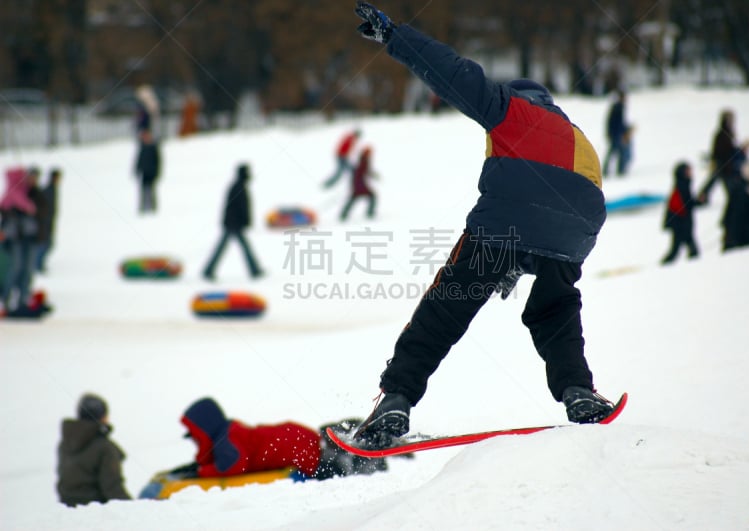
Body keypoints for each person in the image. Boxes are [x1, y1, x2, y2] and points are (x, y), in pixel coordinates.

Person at [351, 2, 616, 450]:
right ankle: (578, 392)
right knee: (556, 309)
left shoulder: (510, 109)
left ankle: (395, 397)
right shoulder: (576, 135)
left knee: (447, 305)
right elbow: (563, 201)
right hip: (579, 225)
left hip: (510, 220)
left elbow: (452, 73)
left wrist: (395, 37)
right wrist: (524, 258)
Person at [179, 398, 386, 481]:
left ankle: (364, 462)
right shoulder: (232, 431)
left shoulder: (225, 442)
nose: (195, 442)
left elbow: (232, 465)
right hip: (297, 436)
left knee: (329, 467)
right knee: (325, 447)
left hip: (298, 451)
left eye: (195, 437)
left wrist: (202, 471)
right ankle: (361, 442)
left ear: (205, 432)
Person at [57, 393, 131, 506]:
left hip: (67, 510)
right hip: (97, 513)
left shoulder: (65, 444)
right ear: (102, 416)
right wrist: (133, 510)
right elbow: (113, 488)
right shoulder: (104, 447)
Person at [202, 164, 264, 281]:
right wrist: (244, 221)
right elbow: (240, 207)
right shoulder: (238, 187)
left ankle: (209, 270)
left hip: (233, 223)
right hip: (234, 224)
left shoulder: (238, 185)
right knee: (240, 248)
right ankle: (254, 270)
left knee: (228, 248)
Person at [0, 167, 38, 313]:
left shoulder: (24, 193)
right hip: (15, 239)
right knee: (15, 269)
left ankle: (21, 299)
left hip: (25, 239)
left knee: (25, 270)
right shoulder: (13, 194)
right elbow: (28, 209)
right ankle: (7, 299)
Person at [698, 109, 749, 205]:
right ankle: (703, 198)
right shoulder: (722, 134)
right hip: (722, 163)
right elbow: (721, 150)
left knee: (717, 182)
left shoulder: (729, 133)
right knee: (720, 182)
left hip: (725, 164)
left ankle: (703, 197)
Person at [661, 162, 699, 264]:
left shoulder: (682, 184)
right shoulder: (682, 186)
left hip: (680, 223)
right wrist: (698, 201)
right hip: (680, 224)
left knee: (680, 249)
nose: (690, 173)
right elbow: (685, 205)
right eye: (688, 171)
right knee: (679, 250)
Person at [339, 146, 378, 221]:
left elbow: (363, 171)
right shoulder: (364, 160)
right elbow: (363, 171)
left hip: (357, 183)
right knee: (372, 196)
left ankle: (343, 214)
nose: (371, 154)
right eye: (370, 153)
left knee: (354, 198)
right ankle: (370, 213)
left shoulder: (363, 159)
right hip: (359, 184)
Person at [34, 168, 61, 272]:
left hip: (49, 221)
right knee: (46, 244)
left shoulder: (52, 188)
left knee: (48, 244)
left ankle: (39, 264)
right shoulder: (48, 190)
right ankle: (38, 265)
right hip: (44, 222)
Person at [602, 89, 632, 177]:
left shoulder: (616, 106)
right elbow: (618, 122)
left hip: (614, 133)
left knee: (613, 152)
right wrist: (624, 131)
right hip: (617, 134)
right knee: (618, 152)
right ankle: (620, 170)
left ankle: (607, 170)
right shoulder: (619, 107)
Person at [134, 129, 161, 214]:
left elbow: (158, 161)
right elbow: (139, 160)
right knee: (143, 190)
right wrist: (137, 169)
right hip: (144, 173)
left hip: (152, 173)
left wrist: (157, 172)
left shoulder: (153, 147)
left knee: (151, 190)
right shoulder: (142, 147)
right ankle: (143, 207)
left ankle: (153, 207)